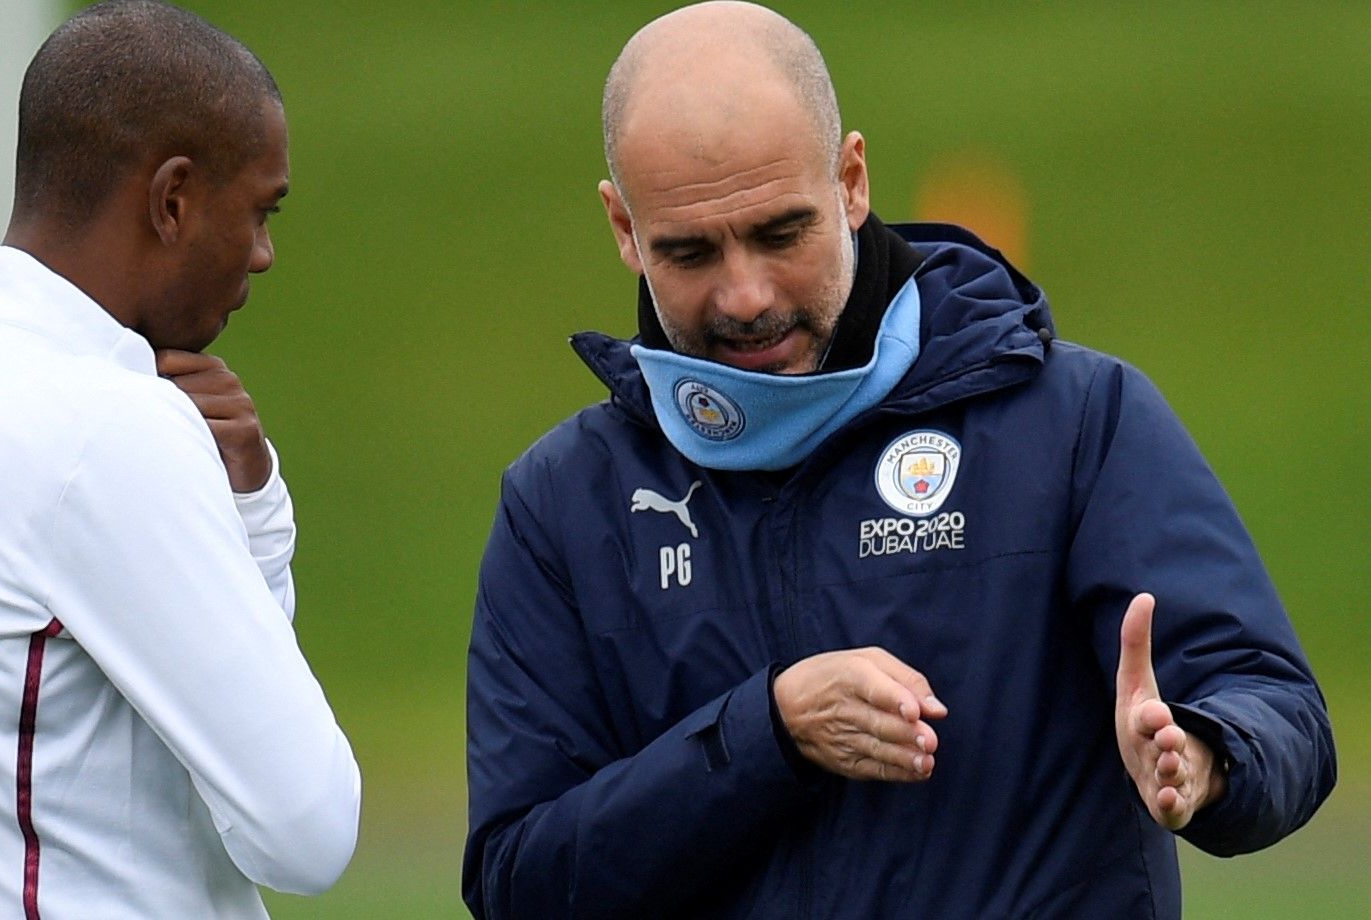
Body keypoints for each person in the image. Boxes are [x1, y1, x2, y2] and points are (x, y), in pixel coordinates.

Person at [462, 3, 1335, 917]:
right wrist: (767, 734)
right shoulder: (562, 503)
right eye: (688, 252)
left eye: (779, 233)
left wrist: (1207, 753)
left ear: (849, 180)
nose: (746, 294)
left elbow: (1281, 710)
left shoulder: (1075, 421)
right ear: (623, 229)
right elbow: (518, 883)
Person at [0, 3, 359, 917]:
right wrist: (261, 530)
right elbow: (304, 830)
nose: (264, 256)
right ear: (173, 200)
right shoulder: (103, 431)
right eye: (259, 211)